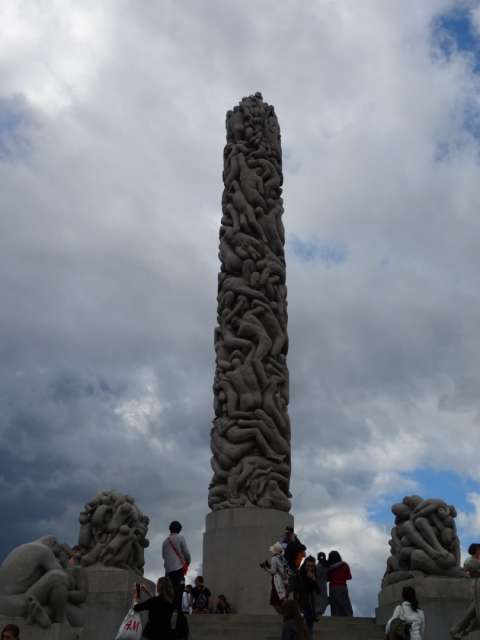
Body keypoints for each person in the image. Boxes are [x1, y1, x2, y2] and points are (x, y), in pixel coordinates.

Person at [162, 521, 191, 611]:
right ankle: (177, 609)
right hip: (178, 569)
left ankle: (169, 608)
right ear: (179, 529)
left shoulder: (165, 541)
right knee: (179, 589)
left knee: (169, 591)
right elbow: (186, 553)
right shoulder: (180, 538)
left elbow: (163, 556)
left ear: (170, 529)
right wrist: (187, 562)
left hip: (168, 570)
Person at [293, 556, 318, 639]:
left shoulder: (314, 575)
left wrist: (313, 580)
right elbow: (296, 589)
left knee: (309, 628)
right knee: (300, 628)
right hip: (301, 604)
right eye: (308, 566)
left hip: (310, 605)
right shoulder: (299, 574)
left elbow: (318, 591)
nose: (310, 568)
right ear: (305, 565)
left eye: (312, 566)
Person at [327, 550, 353, 616]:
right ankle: (349, 619)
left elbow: (327, 578)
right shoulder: (344, 565)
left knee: (334, 606)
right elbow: (349, 577)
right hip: (343, 587)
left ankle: (335, 620)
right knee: (345, 605)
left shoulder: (328, 567)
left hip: (333, 587)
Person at [266, 542, 287, 614]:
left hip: (276, 579)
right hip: (282, 579)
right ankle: (285, 613)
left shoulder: (274, 558)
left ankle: (284, 614)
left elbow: (273, 571)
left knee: (275, 600)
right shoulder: (281, 558)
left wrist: (266, 569)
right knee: (281, 597)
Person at [315, 552, 329, 617]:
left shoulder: (317, 566)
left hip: (317, 586)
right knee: (323, 600)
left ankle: (318, 613)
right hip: (323, 586)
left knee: (318, 601)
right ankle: (320, 613)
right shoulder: (327, 565)